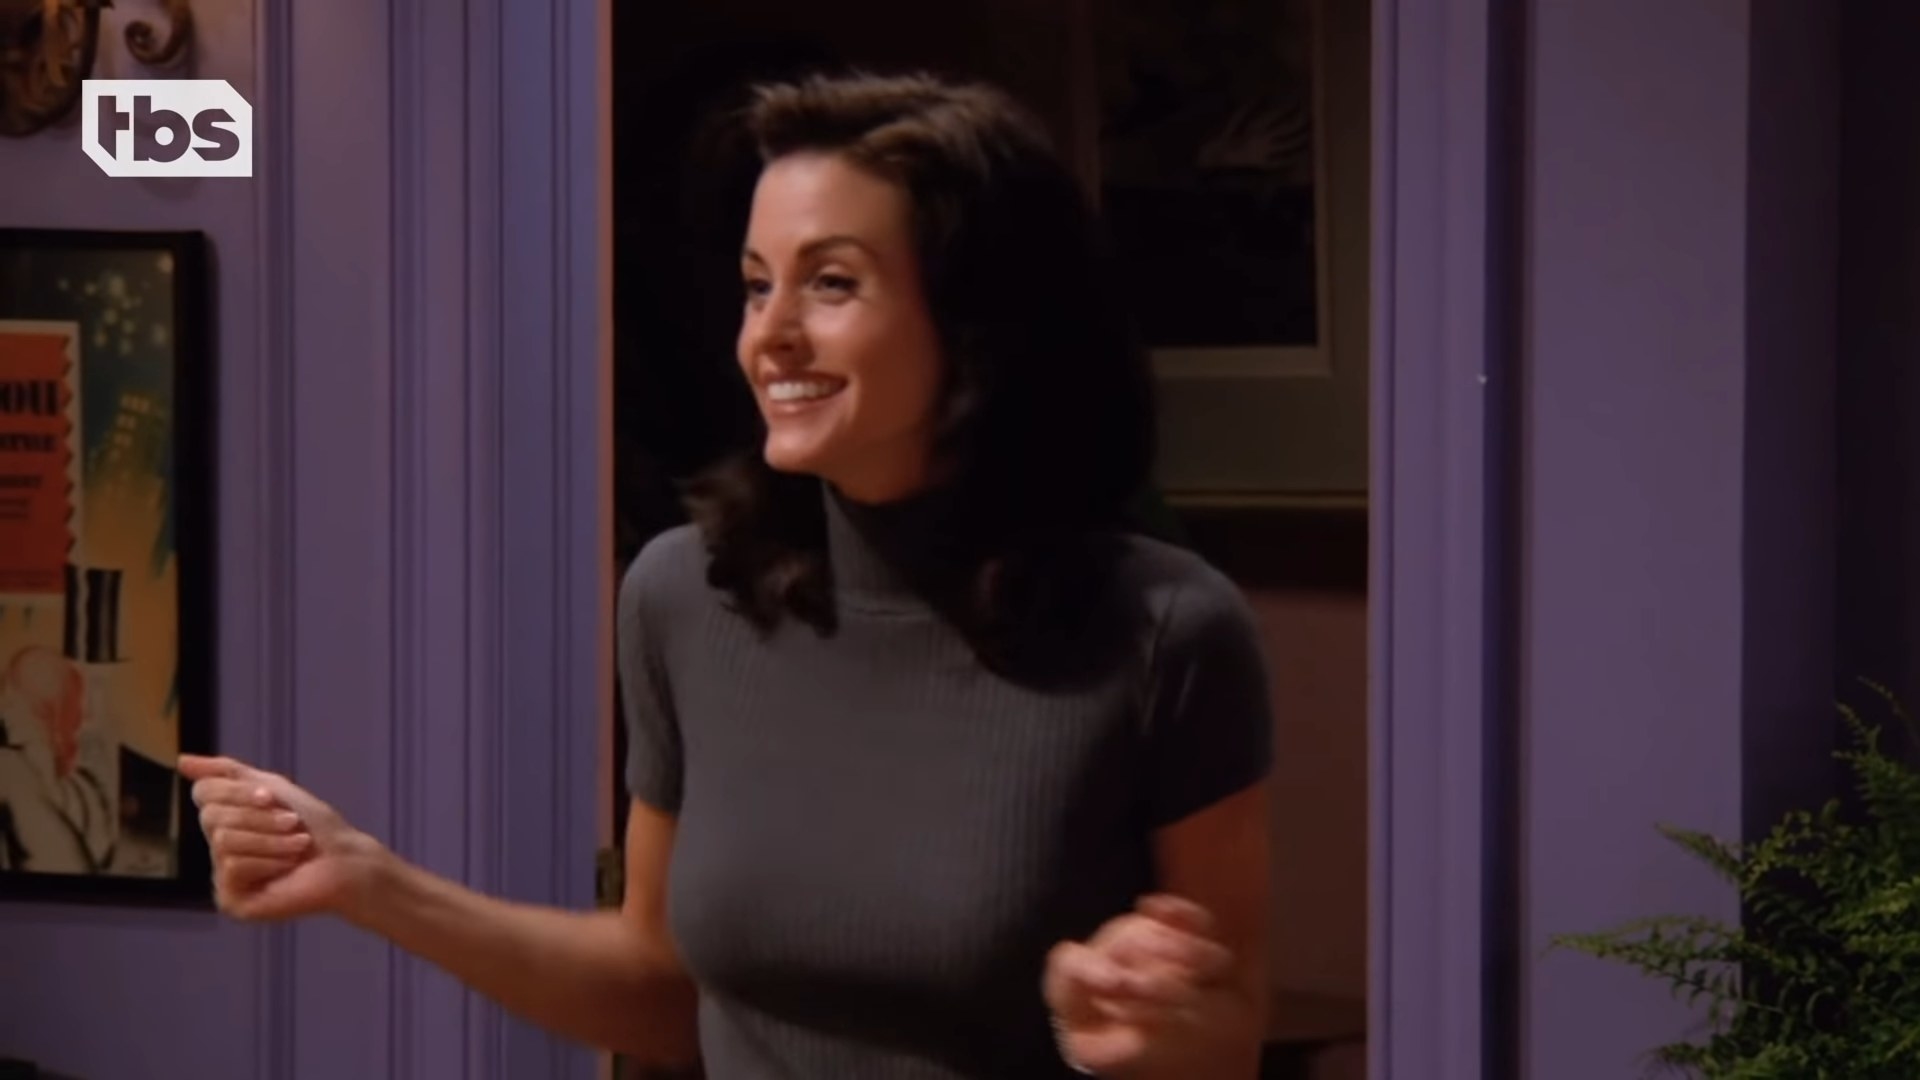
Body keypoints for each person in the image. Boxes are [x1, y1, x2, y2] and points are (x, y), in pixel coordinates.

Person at [180, 70, 1276, 1079]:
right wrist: (372, 883)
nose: (771, 336)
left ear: (979, 322)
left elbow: (1230, 1035)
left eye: (831, 283)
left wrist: (1157, 1027)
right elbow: (659, 990)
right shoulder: (684, 597)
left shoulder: (1165, 630)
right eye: (758, 287)